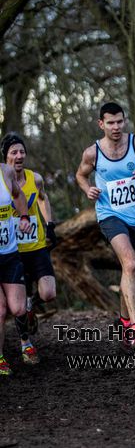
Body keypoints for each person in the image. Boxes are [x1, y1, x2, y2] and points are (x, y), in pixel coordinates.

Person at [76, 102, 135, 349]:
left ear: (124, 121)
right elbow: (80, 175)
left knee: (130, 271)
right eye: (110, 123)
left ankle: (124, 322)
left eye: (119, 121)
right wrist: (87, 189)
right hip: (109, 214)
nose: (116, 127)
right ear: (101, 124)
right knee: (130, 264)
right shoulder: (93, 152)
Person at [2, 132, 57, 342]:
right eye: (13, 152)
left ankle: (32, 304)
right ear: (5, 156)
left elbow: (43, 199)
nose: (18, 156)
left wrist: (49, 224)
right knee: (17, 303)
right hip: (13, 250)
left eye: (22, 151)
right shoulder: (3, 183)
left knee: (48, 294)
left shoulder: (35, 178)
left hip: (36, 245)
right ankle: (26, 342)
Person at [0, 160, 37, 376]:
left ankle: (26, 339)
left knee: (19, 309)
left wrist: (23, 216)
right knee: (1, 311)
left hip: (10, 252)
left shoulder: (6, 171)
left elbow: (18, 195)